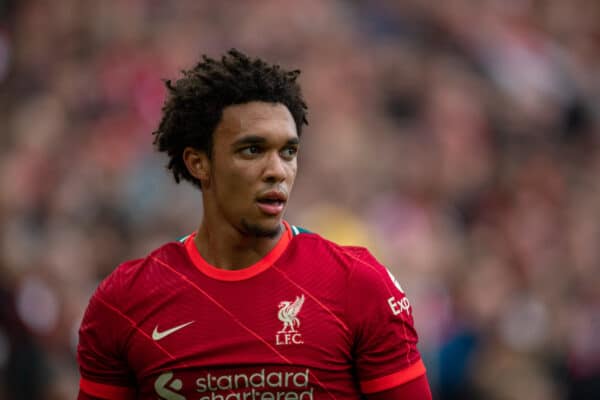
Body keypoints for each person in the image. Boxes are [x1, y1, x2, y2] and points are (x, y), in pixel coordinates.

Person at [77, 49, 432, 400]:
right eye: (252, 150)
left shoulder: (359, 285)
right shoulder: (124, 300)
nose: (277, 170)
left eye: (288, 152)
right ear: (199, 163)